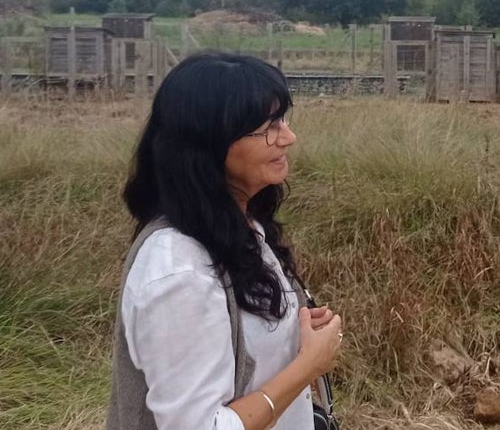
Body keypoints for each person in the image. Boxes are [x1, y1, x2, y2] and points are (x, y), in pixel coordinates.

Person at [107, 52, 343, 430]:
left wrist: (290, 334)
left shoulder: (241, 227)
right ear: (210, 145)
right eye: (268, 127)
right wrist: (307, 367)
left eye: (283, 118)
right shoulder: (178, 271)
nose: (288, 137)